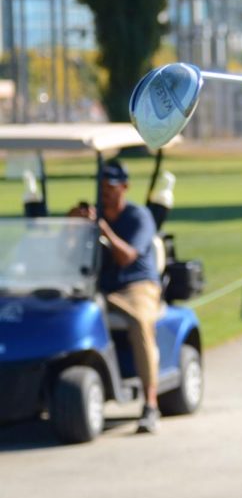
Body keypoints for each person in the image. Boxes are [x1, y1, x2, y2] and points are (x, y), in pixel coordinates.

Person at [70, 160, 163, 434]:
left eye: (111, 187)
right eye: (102, 187)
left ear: (124, 187)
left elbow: (127, 258)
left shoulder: (138, 217)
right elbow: (68, 257)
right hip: (100, 288)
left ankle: (150, 404)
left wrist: (103, 230)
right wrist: (74, 226)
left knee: (140, 322)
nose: (106, 192)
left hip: (137, 286)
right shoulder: (93, 218)